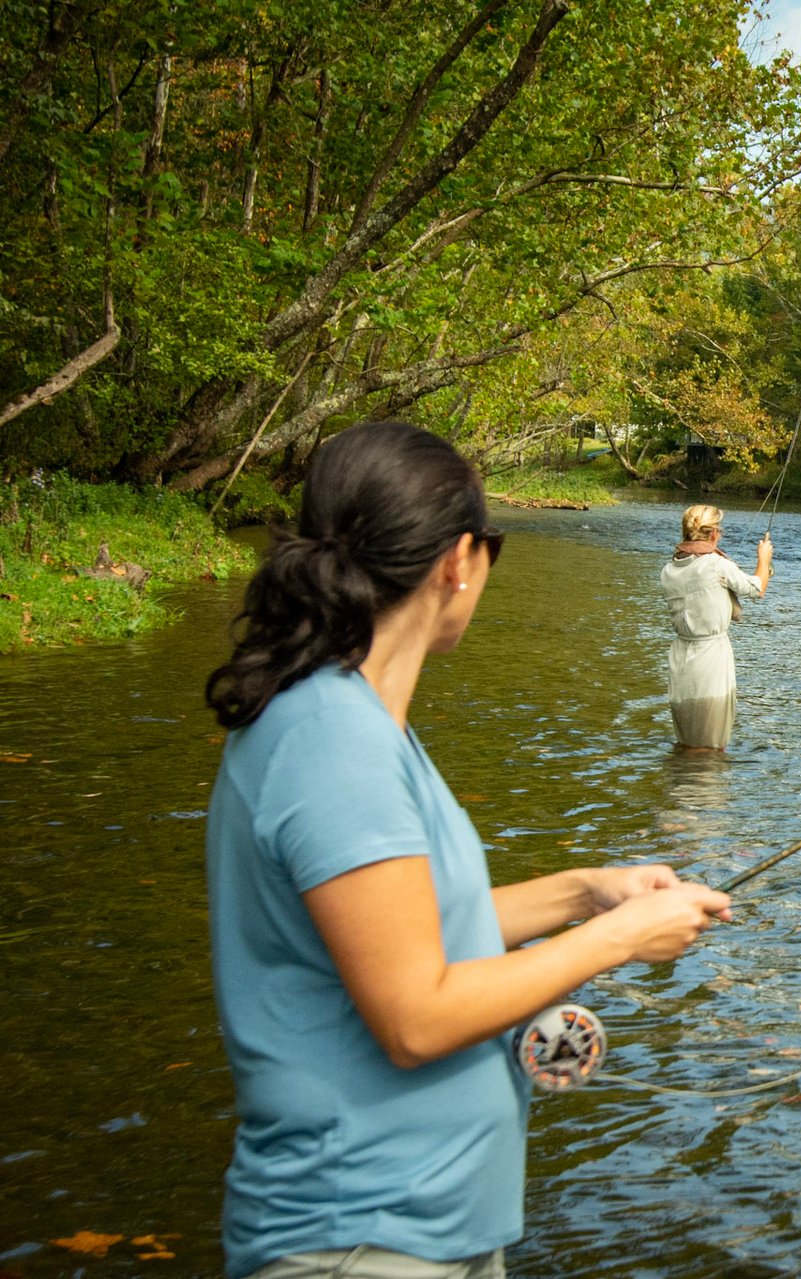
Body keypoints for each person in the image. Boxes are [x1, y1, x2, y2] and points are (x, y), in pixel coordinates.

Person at [203, 420, 732, 1279]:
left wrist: (585, 891)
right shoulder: (333, 740)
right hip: (362, 1240)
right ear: (459, 560)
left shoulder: (350, 719)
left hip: (422, 1233)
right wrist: (622, 939)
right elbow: (416, 1013)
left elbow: (404, 933)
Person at [659, 504, 772, 751]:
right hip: (710, 659)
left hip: (680, 659)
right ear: (712, 534)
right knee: (711, 744)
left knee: (688, 740)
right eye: (719, 531)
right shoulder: (716, 565)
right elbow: (757, 588)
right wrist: (764, 558)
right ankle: (707, 787)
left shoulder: (668, 570)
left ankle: (681, 783)